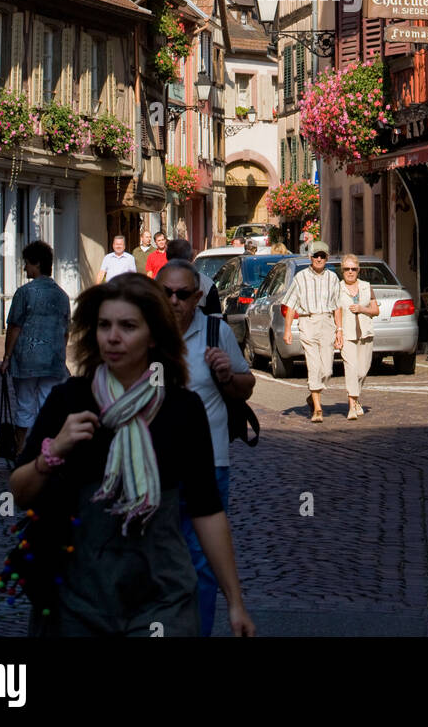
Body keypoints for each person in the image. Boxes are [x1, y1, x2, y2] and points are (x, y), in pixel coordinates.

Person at [9, 273, 255, 637]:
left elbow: (207, 509)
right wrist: (54, 451)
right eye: (104, 325)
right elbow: (19, 491)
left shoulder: (182, 409)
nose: (113, 337)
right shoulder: (70, 399)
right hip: (77, 597)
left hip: (162, 596)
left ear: (153, 335)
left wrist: (234, 601)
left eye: (128, 326)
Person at [159, 262, 254, 637]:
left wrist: (227, 375)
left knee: (202, 561)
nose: (174, 301)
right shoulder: (145, 333)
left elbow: (246, 386)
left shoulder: (217, 331)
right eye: (166, 292)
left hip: (209, 463)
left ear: (197, 297)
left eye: (182, 294)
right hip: (156, 467)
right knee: (160, 557)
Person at [0, 241, 71, 453]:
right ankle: (45, 451)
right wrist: (61, 355)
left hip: (26, 359)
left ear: (37, 264)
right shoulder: (62, 295)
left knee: (24, 404)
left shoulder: (24, 293)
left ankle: (21, 450)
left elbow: (14, 327)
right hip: (53, 361)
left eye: (27, 264)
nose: (25, 268)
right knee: (46, 406)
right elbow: (65, 330)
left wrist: (6, 357)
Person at [282, 241, 342, 422]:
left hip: (327, 322)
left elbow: (337, 307)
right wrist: (287, 330)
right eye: (316, 255)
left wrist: (339, 330)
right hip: (308, 322)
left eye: (322, 256)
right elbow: (291, 306)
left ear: (327, 258)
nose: (319, 259)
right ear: (310, 258)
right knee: (314, 366)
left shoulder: (332, 278)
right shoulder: (300, 278)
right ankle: (317, 408)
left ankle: (311, 396)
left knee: (327, 370)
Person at [338, 254, 379, 419]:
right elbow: (336, 311)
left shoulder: (366, 287)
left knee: (362, 371)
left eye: (353, 269)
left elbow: (376, 310)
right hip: (347, 334)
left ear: (358, 270)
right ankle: (352, 406)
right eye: (347, 269)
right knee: (351, 369)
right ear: (342, 271)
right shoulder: (337, 288)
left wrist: (363, 309)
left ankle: (355, 399)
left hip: (365, 334)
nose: (350, 272)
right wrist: (338, 331)